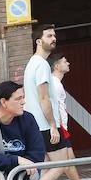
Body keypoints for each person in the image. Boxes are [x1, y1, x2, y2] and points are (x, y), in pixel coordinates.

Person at [33, 52, 83, 180]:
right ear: (56, 66)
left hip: (58, 126)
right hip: (56, 126)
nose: (68, 63)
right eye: (65, 61)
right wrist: (56, 126)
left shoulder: (56, 83)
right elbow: (49, 104)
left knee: (51, 165)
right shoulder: (54, 83)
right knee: (66, 161)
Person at [23, 22, 59, 155]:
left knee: (44, 168)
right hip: (45, 125)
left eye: (54, 35)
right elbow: (44, 97)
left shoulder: (32, 62)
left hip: (35, 125)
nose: (54, 39)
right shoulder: (42, 65)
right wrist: (53, 125)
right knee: (62, 165)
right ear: (39, 41)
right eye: (49, 36)